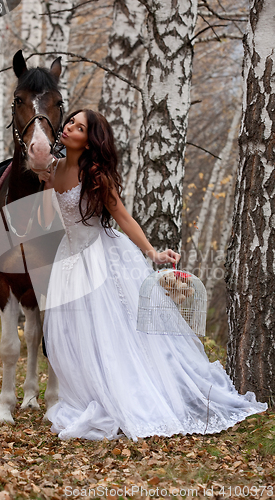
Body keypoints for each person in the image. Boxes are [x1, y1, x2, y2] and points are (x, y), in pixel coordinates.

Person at [38, 109, 267, 441]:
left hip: (101, 259)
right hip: (68, 261)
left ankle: (125, 394)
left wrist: (152, 253)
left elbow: (123, 217)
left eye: (79, 127)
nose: (69, 128)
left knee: (110, 332)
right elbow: (48, 217)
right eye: (70, 122)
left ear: (90, 141)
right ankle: (86, 393)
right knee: (69, 336)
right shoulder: (53, 168)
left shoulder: (96, 174)